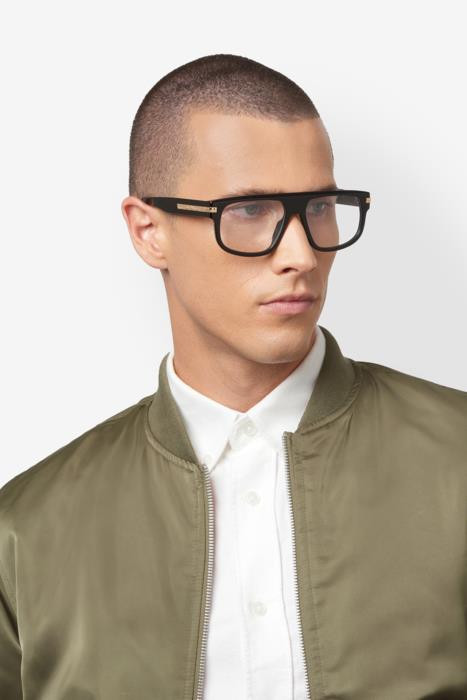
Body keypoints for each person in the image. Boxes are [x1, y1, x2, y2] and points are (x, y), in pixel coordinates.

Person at [1, 53, 466, 700]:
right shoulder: (26, 531)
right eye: (249, 211)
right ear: (148, 231)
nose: (301, 255)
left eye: (320, 206)